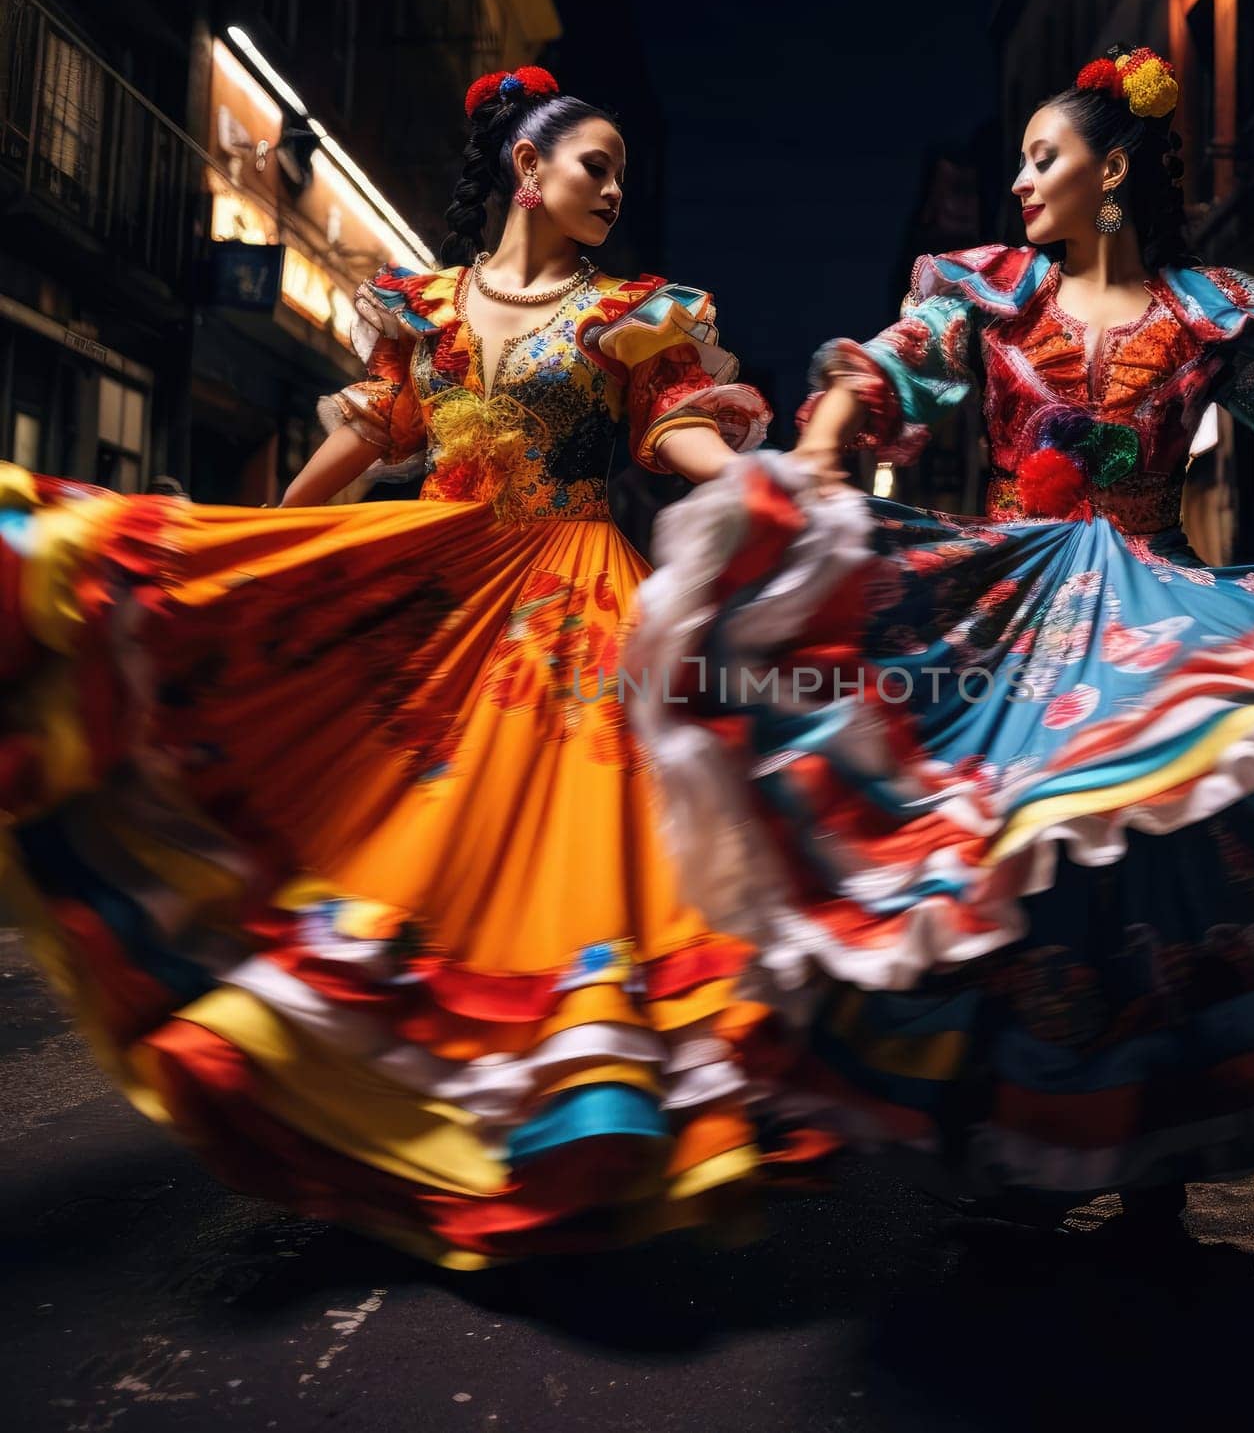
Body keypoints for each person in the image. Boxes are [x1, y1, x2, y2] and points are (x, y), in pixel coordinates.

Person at [627, 45, 1254, 1233]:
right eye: (1023, 160)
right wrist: (829, 434)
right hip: (1009, 619)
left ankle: (1152, 1173)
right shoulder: (987, 298)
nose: (1023, 182)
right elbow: (890, 367)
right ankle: (1006, 1150)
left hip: (1154, 609)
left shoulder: (1206, 318)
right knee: (1002, 872)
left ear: (1115, 171)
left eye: (1046, 158)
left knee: (1157, 879)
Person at [0, 65, 826, 1268]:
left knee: (559, 854)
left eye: (622, 175)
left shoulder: (633, 312)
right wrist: (262, 557)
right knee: (417, 845)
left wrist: (765, 478)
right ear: (525, 169)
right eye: (595, 165)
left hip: (572, 602)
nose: (611, 188)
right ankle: (432, 1123)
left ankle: (572, 1124)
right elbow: (361, 442)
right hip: (433, 595)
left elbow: (678, 432)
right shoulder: (423, 308)